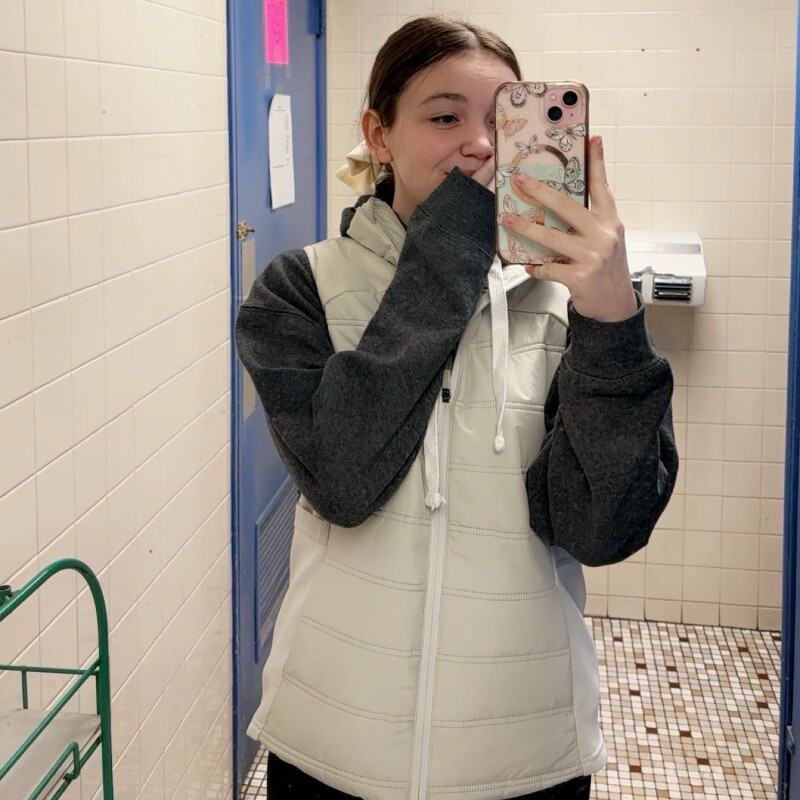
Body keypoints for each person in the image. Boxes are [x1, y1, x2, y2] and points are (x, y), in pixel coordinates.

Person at [235, 15, 678, 800]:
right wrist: (457, 243)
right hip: (334, 742)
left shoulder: (570, 302)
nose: (479, 145)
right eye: (445, 117)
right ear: (379, 134)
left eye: (502, 120)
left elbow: (602, 529)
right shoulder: (299, 289)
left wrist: (613, 322)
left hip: (525, 752)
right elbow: (342, 478)